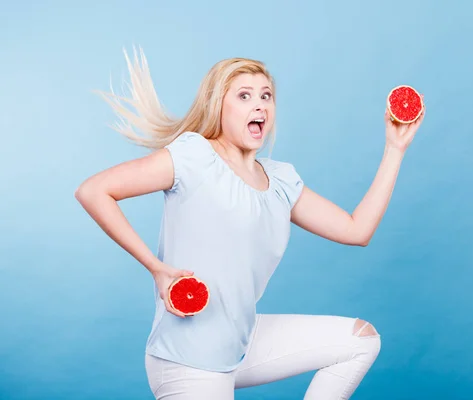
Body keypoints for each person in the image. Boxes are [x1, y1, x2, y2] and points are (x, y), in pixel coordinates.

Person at [74, 47, 425, 399]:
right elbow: (94, 191)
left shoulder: (282, 181)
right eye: (245, 96)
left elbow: (357, 230)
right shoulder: (195, 157)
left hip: (240, 341)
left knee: (360, 341)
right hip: (188, 359)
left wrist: (395, 149)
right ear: (219, 107)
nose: (260, 105)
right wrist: (156, 268)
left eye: (266, 96)